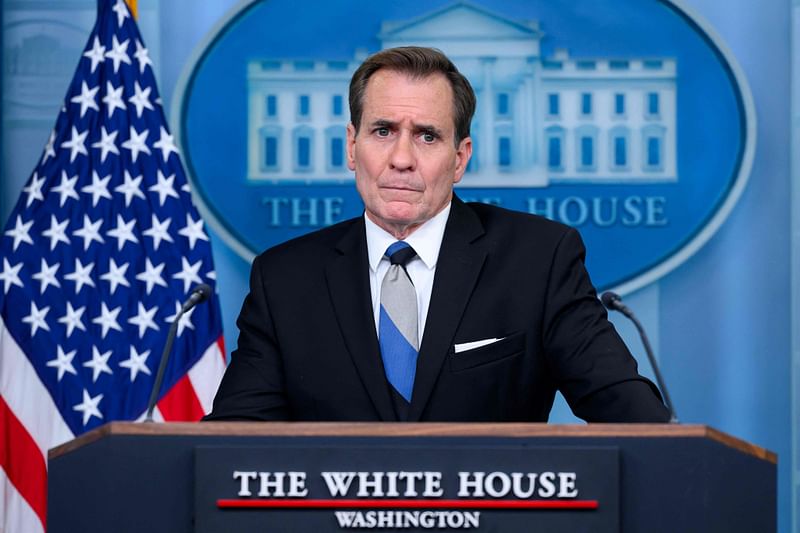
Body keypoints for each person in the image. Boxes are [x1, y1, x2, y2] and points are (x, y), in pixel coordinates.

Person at [205, 46, 670, 423]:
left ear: (460, 157)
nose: (402, 158)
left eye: (427, 136)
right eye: (383, 131)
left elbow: (631, 417)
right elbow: (231, 443)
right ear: (352, 146)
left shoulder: (538, 261)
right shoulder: (286, 278)